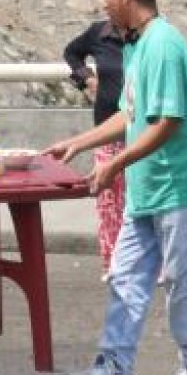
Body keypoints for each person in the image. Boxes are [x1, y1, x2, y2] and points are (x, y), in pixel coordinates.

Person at [44, 0, 187, 375]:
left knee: (183, 285)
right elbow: (131, 114)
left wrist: (115, 164)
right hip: (147, 188)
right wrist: (80, 143)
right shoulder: (137, 45)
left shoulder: (164, 44)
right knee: (125, 279)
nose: (103, 4)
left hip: (180, 186)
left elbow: (167, 122)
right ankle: (111, 368)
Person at [64, 19, 126, 279]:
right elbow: (71, 52)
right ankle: (112, 262)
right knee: (109, 200)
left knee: (139, 199)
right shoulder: (99, 32)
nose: (106, 4)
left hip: (142, 130)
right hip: (105, 129)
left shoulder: (148, 35)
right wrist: (87, 79)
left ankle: (146, 262)